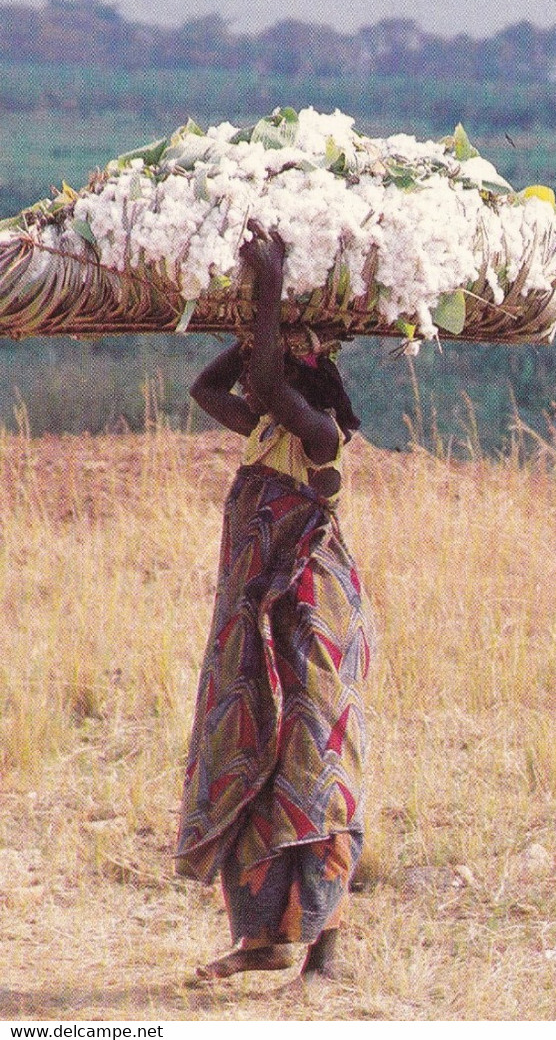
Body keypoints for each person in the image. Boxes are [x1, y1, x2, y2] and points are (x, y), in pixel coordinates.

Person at [175, 225, 372, 984]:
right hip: (259, 619)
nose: (263, 387)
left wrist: (271, 296)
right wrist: (266, 327)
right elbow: (212, 387)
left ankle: (323, 947)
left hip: (312, 612)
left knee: (314, 758)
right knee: (251, 752)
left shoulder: (320, 437)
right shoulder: (263, 430)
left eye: (282, 377)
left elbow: (267, 379)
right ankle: (265, 938)